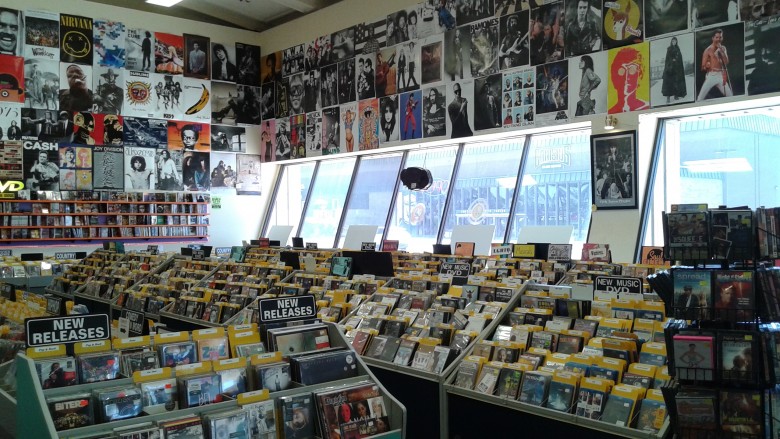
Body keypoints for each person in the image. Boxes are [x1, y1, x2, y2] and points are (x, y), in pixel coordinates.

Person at [608, 47, 649, 113]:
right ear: (613, 76)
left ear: (640, 74)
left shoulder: (646, 108)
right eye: (621, 70)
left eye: (631, 70)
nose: (626, 77)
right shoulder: (610, 112)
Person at [697, 28, 733, 101]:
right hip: (711, 76)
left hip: (720, 75)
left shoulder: (723, 48)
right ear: (713, 38)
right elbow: (702, 67)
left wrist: (722, 52)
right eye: (717, 37)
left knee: (730, 96)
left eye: (720, 37)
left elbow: (726, 62)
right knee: (700, 98)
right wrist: (707, 65)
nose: (718, 39)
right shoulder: (707, 50)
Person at [662, 36, 686, 104]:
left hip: (676, 69)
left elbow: (680, 58)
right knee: (669, 83)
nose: (674, 42)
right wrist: (672, 60)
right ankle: (668, 98)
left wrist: (677, 60)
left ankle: (676, 95)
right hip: (670, 69)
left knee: (676, 82)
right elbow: (667, 59)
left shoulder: (678, 49)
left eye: (675, 41)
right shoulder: (669, 49)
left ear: (676, 42)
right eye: (672, 41)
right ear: (671, 42)